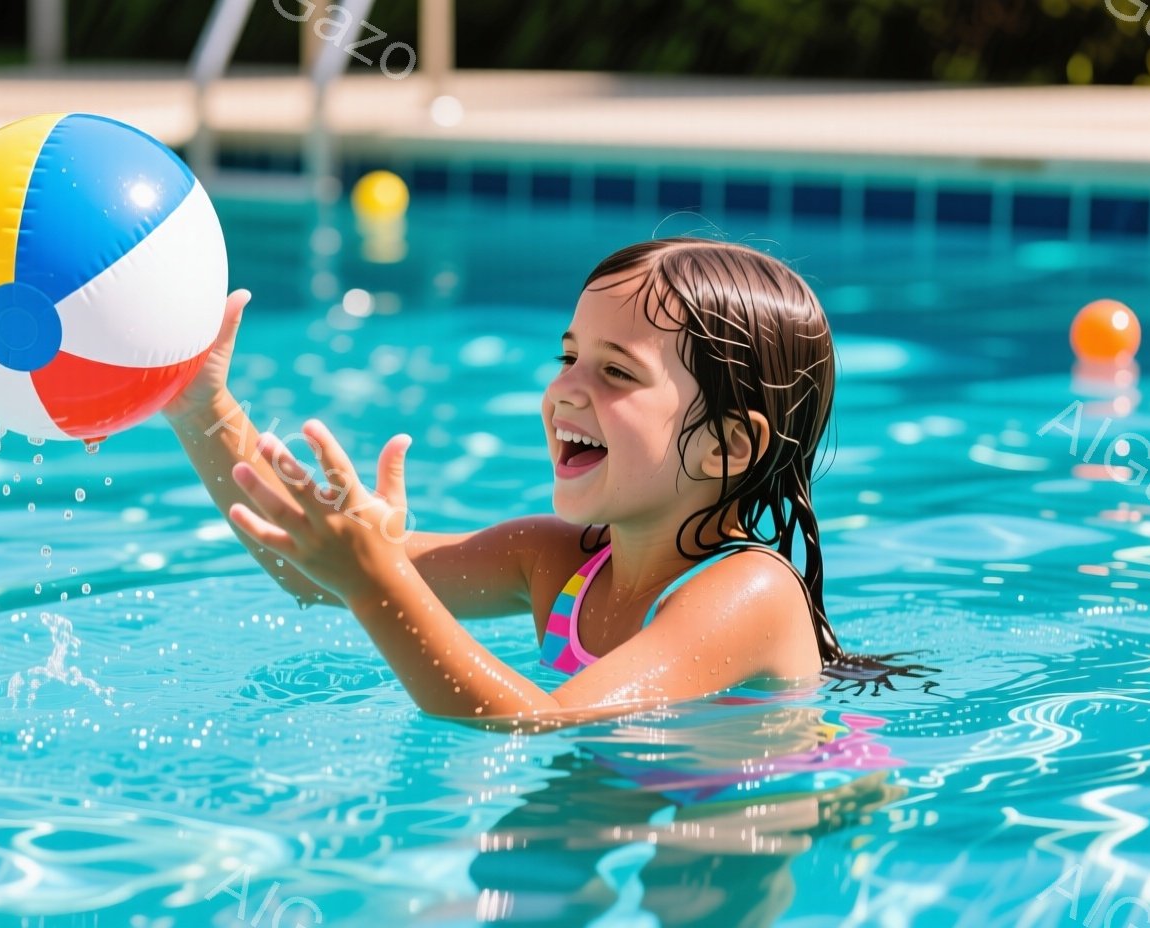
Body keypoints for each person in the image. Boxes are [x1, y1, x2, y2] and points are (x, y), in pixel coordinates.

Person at [162, 237, 856, 726]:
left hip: (747, 817)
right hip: (634, 787)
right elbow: (310, 573)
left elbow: (541, 722)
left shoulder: (751, 593)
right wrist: (201, 409)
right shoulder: (554, 560)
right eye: (568, 357)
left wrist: (377, 579)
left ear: (726, 445)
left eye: (617, 372)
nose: (566, 390)